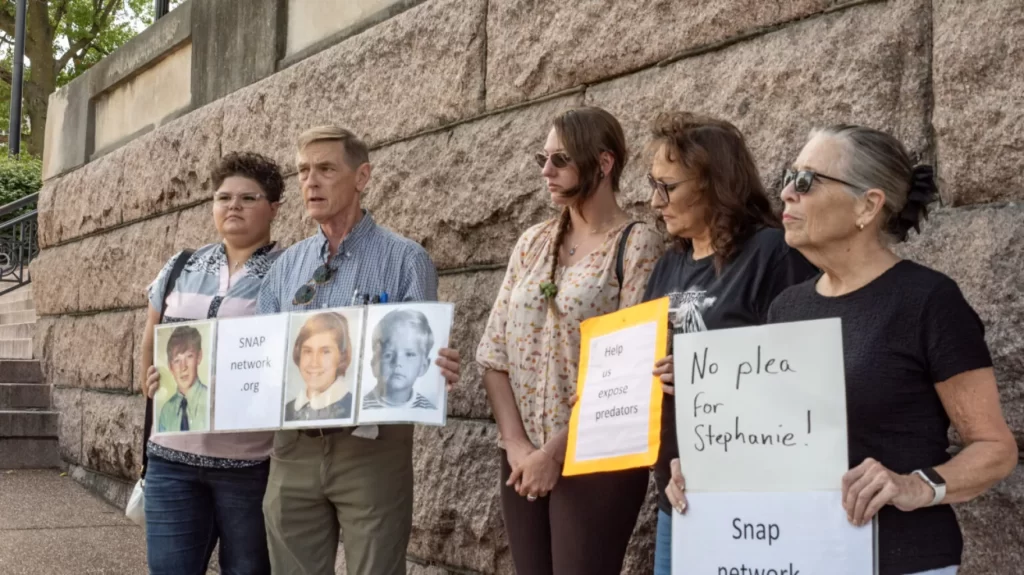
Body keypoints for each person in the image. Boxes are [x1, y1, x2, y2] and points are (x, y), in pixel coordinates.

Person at [664, 124, 1018, 575]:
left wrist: (916, 485)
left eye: (807, 180)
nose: (788, 193)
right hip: (798, 554)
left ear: (867, 206)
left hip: (901, 559)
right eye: (789, 178)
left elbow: (994, 447)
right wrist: (708, 473)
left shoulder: (928, 300)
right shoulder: (788, 306)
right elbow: (769, 442)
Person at [256, 125, 462, 575]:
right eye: (303, 171)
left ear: (362, 177)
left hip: (371, 449)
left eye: (326, 169)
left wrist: (434, 365)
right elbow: (262, 360)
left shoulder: (406, 260)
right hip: (293, 450)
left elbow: (419, 356)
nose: (311, 181)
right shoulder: (285, 268)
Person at [476, 106, 665, 575]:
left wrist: (551, 454)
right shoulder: (532, 243)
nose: (545, 170)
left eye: (560, 159)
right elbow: (493, 352)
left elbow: (630, 368)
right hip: (521, 455)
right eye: (543, 157)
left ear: (603, 164)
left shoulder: (637, 244)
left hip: (595, 455)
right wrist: (518, 445)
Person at [641, 112, 818, 574]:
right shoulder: (667, 266)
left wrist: (707, 379)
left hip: (751, 497)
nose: (654, 201)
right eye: (652, 184)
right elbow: (644, 361)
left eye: (668, 186)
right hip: (676, 492)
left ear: (713, 182)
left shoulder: (773, 254)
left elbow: (804, 376)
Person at [140, 151, 287, 575]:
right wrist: (150, 376)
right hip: (171, 462)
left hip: (251, 465)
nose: (233, 206)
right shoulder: (181, 265)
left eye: (248, 198)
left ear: (274, 208)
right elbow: (151, 336)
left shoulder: (289, 272)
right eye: (224, 197)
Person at [362, 308, 437, 410]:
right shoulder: (362, 408)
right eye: (388, 354)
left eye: (409, 354)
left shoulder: (428, 410)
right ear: (374, 364)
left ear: (423, 367)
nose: (397, 362)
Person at [286, 312, 355, 422]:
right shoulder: (287, 411)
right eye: (308, 351)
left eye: (325, 352)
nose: (314, 362)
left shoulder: (353, 407)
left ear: (342, 356)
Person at [157, 325, 209, 432]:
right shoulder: (166, 411)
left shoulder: (211, 400)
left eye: (189, 356)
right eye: (177, 361)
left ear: (199, 356)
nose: (183, 367)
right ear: (170, 367)